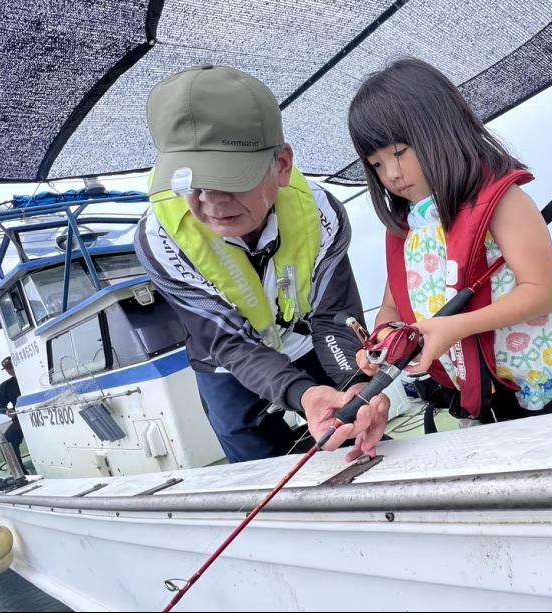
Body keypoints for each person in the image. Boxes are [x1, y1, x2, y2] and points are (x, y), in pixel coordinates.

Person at [134, 65, 388, 464]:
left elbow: (333, 315)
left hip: (305, 338)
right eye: (191, 184)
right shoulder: (158, 240)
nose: (212, 204)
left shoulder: (323, 214)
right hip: (225, 359)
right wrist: (301, 393)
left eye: (233, 179)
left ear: (282, 165)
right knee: (252, 462)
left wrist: (354, 385)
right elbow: (228, 342)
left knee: (357, 419)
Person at [346, 58, 552, 425]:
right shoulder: (408, 230)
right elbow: (393, 309)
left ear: (442, 128)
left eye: (399, 152)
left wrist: (455, 327)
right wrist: (383, 341)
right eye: (376, 164)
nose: (391, 174)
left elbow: (542, 291)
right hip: (486, 408)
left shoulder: (501, 199)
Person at [0, 356, 29, 475]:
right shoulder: (5, 386)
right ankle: (21, 473)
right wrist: (7, 411)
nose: (11, 370)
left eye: (12, 366)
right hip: (23, 418)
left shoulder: (31, 377)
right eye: (8, 368)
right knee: (6, 441)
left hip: (46, 412)